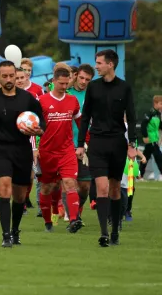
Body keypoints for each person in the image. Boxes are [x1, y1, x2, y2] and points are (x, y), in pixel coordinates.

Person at [0, 60, 45, 248]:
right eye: (4, 76)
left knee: (20, 196)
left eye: (11, 75)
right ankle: (6, 235)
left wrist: (39, 130)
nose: (8, 79)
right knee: (4, 187)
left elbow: (42, 121)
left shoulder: (28, 98)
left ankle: (15, 230)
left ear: (16, 76)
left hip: (22, 150)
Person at [76, 49, 137, 247]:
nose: (96, 66)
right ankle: (103, 233)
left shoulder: (125, 88)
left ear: (110, 64)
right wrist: (80, 145)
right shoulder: (93, 88)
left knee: (115, 188)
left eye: (99, 63)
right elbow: (85, 117)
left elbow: (132, 116)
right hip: (97, 143)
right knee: (101, 188)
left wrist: (132, 144)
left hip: (118, 142)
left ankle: (115, 228)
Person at [37, 68, 83, 233]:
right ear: (53, 82)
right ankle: (48, 221)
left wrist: (84, 143)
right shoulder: (41, 101)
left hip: (66, 150)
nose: (64, 86)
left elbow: (80, 122)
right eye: (61, 83)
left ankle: (73, 220)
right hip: (47, 152)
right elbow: (32, 125)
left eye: (66, 83)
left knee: (70, 183)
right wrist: (34, 148)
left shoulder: (72, 101)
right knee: (48, 188)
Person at [68, 64, 94, 216]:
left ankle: (77, 209)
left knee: (84, 185)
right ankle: (66, 211)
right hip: (66, 144)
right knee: (66, 182)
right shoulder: (66, 92)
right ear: (76, 75)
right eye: (82, 77)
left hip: (86, 144)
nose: (84, 82)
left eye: (87, 79)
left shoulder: (93, 95)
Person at [140, 96, 162, 178]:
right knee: (159, 157)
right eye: (161, 104)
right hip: (150, 139)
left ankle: (139, 175)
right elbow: (143, 125)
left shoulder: (158, 114)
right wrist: (145, 136)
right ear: (155, 103)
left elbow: (159, 125)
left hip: (154, 139)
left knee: (145, 157)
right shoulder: (150, 113)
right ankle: (140, 175)